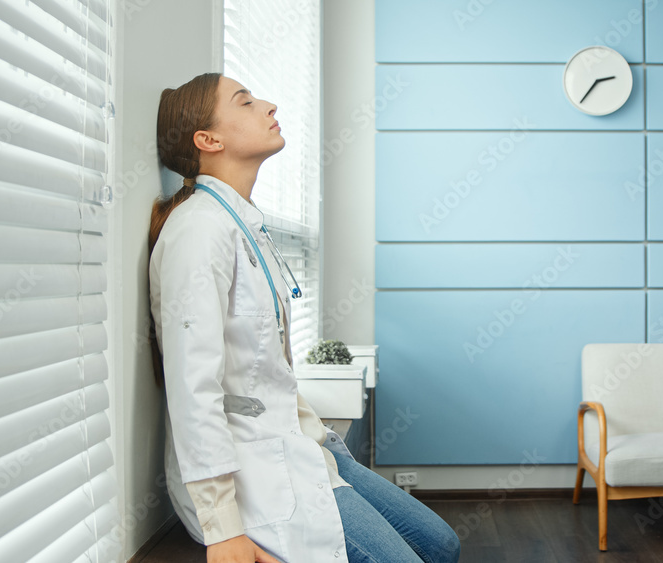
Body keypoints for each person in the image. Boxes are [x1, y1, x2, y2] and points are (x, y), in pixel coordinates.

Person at [147, 72, 461, 563]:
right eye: (246, 102)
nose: (269, 105)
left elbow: (270, 367)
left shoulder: (244, 225)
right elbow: (192, 391)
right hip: (255, 471)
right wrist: (221, 528)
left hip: (302, 445)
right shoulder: (198, 231)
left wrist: (319, 439)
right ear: (208, 140)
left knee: (442, 544)